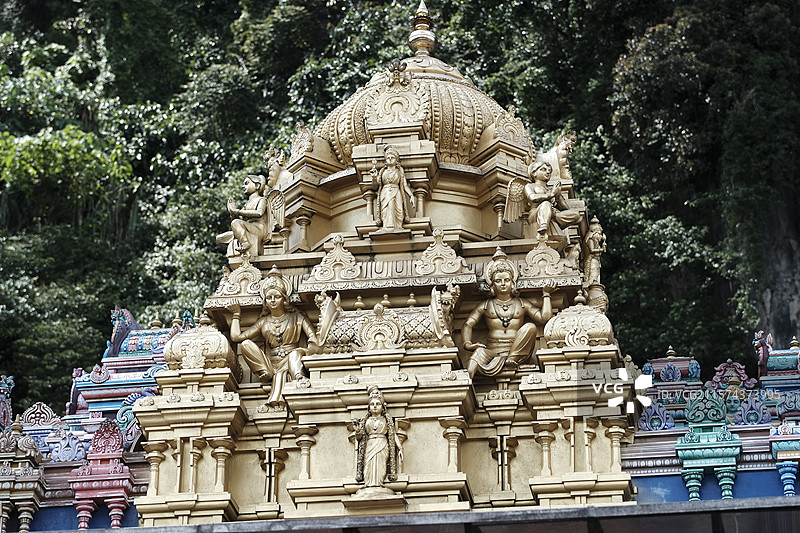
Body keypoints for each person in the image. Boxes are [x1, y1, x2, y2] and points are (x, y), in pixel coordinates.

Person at [227, 267, 319, 405]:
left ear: (285, 300)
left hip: (292, 358)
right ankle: (265, 373)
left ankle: (299, 377)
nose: (272, 300)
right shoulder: (264, 321)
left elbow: (314, 340)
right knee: (246, 344)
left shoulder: (297, 317)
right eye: (269, 298)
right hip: (271, 363)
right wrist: (236, 315)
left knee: (294, 354)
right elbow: (236, 338)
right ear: (265, 302)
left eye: (277, 297)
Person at [463, 249, 553, 378]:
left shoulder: (522, 303)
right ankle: (467, 383)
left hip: (517, 348)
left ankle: (513, 358)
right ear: (492, 284)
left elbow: (544, 318)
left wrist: (546, 295)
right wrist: (467, 343)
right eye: (498, 281)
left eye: (506, 280)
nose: (503, 284)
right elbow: (468, 324)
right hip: (492, 350)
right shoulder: (486, 305)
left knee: (530, 327)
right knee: (477, 356)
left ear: (513, 283)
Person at [353, 386, 402, 490]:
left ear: (383, 407)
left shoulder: (386, 420)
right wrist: (357, 431)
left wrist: (400, 447)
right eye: (372, 404)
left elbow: (392, 434)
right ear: (369, 407)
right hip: (370, 445)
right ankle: (369, 485)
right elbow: (359, 437)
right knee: (368, 466)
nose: (375, 406)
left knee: (380, 466)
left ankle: (378, 484)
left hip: (382, 444)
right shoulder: (366, 420)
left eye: (378, 404)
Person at [523, 161, 581, 238]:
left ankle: (555, 224)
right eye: (543, 169)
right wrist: (551, 195)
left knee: (576, 214)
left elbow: (565, 209)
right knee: (546, 203)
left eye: (549, 171)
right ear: (534, 173)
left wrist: (557, 196)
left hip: (553, 214)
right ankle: (543, 225)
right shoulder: (530, 186)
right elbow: (532, 198)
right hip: (536, 214)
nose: (547, 172)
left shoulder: (551, 189)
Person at [370, 145, 415, 230]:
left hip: (396, 192)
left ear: (396, 160)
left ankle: (397, 226)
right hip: (385, 193)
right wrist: (374, 177)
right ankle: (387, 226)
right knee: (386, 211)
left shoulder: (399, 172)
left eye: (392, 157)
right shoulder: (382, 172)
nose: (390, 159)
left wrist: (411, 195)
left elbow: (404, 185)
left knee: (398, 212)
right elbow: (375, 186)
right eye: (388, 158)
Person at [227, 174, 269, 253]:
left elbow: (259, 213)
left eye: (246, 183)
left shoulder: (262, 200)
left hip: (258, 228)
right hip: (248, 227)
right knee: (221, 237)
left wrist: (237, 211)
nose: (243, 186)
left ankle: (245, 242)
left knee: (235, 223)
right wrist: (232, 212)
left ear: (256, 185)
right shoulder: (247, 204)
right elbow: (238, 222)